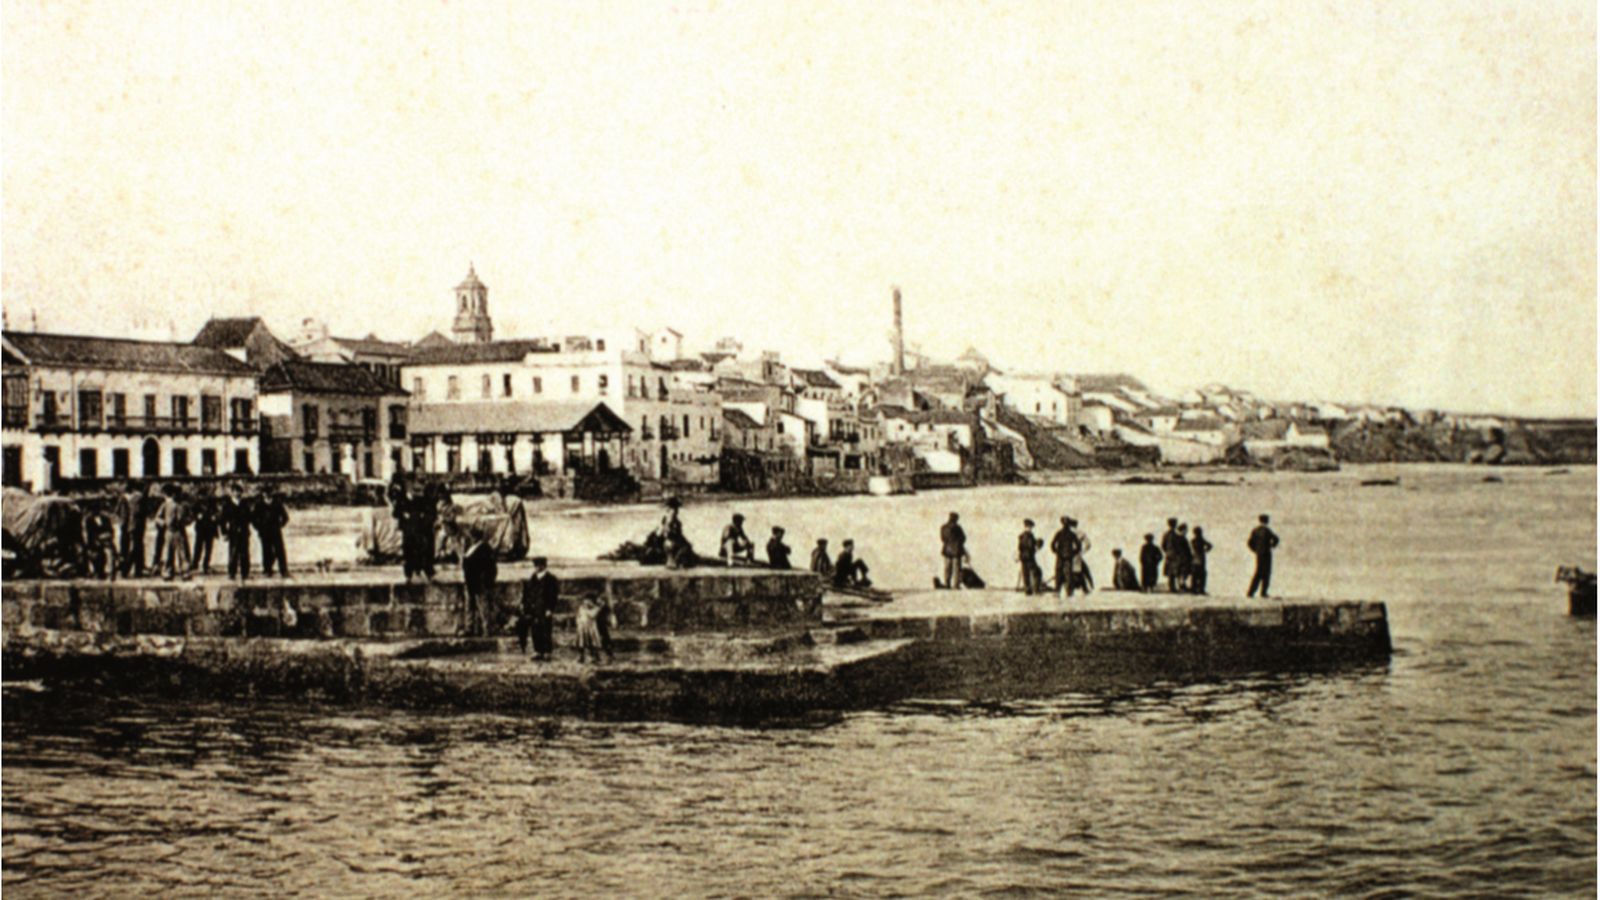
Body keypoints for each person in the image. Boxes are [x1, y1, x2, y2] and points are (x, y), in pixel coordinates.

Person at [519, 556, 558, 660]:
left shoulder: (551, 579)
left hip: (545, 609)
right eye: (535, 566)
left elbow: (553, 596)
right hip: (534, 608)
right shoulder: (532, 578)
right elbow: (526, 594)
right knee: (535, 630)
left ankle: (547, 652)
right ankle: (537, 651)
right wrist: (524, 604)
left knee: (546, 630)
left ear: (544, 566)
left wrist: (550, 609)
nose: (537, 568)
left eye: (539, 566)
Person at [461, 528, 498, 637]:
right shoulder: (470, 548)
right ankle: (469, 628)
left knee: (483, 607)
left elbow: (490, 568)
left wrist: (487, 581)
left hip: (479, 583)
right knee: (469, 606)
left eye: (472, 536)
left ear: (475, 537)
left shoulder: (485, 549)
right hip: (470, 582)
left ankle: (486, 629)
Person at [220, 483, 254, 581]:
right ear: (232, 493)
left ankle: (245, 573)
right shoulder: (227, 505)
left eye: (239, 491)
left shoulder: (244, 504)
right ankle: (232, 573)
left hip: (244, 531)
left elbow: (249, 517)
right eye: (235, 491)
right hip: (233, 532)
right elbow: (222, 520)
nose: (237, 493)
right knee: (233, 553)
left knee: (245, 553)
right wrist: (224, 532)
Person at [254, 487, 290, 578]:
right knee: (266, 551)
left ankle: (283, 570)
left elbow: (285, 517)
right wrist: (259, 528)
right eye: (265, 494)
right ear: (262, 495)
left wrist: (279, 525)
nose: (266, 496)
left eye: (268, 494)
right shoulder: (259, 505)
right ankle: (267, 570)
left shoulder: (277, 504)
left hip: (275, 531)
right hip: (264, 532)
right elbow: (253, 518)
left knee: (280, 551)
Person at [159, 485, 193, 580]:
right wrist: (163, 523)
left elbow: (190, 517)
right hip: (169, 531)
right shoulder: (165, 505)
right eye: (173, 494)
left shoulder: (184, 505)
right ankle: (168, 572)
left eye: (178, 494)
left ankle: (185, 572)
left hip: (180, 531)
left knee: (183, 553)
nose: (175, 496)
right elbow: (158, 517)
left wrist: (186, 521)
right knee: (168, 553)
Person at [114, 483, 147, 578]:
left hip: (131, 527)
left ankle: (136, 570)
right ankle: (126, 570)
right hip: (134, 527)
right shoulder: (137, 498)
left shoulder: (127, 498)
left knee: (135, 548)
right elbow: (139, 513)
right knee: (135, 548)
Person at [82, 501, 118, 580]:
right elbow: (90, 533)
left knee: (111, 551)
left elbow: (111, 530)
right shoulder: (89, 520)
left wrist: (107, 536)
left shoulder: (105, 519)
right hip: (96, 542)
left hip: (106, 540)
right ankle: (97, 571)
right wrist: (96, 541)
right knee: (96, 555)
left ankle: (111, 570)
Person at [1247, 514, 1279, 598]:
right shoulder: (1267, 530)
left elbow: (1249, 543)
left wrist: (1256, 550)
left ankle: (1251, 592)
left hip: (1259, 554)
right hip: (1267, 554)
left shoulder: (1255, 530)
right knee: (1266, 573)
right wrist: (1272, 546)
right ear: (1267, 521)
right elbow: (1276, 539)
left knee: (1258, 572)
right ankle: (1263, 592)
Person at [190, 489, 218, 576]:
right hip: (201, 528)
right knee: (198, 547)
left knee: (208, 548)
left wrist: (214, 517)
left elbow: (216, 512)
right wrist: (197, 516)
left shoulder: (211, 503)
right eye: (201, 496)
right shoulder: (196, 504)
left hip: (210, 528)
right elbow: (192, 513)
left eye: (204, 496)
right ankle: (195, 564)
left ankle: (206, 565)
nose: (202, 497)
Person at [574, 594, 607, 664]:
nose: (587, 602)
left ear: (592, 602)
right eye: (585, 601)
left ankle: (595, 657)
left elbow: (592, 615)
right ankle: (581, 657)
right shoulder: (581, 608)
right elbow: (578, 616)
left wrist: (599, 607)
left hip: (591, 629)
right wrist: (578, 622)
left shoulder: (595, 609)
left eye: (589, 601)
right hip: (582, 628)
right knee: (581, 643)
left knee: (593, 643)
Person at [1050, 516, 1077, 597]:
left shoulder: (1059, 533)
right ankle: (1068, 592)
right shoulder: (1071, 534)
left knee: (1059, 573)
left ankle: (1058, 591)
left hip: (1061, 556)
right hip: (1067, 557)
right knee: (1067, 574)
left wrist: (1056, 552)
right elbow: (1078, 546)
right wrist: (1073, 553)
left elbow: (1052, 544)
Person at [940, 513, 966, 590]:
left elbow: (942, 538)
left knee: (947, 568)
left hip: (947, 550)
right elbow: (963, 538)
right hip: (957, 550)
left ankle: (947, 584)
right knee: (957, 568)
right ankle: (956, 585)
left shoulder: (943, 527)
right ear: (956, 519)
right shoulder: (958, 527)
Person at [1017, 519, 1043, 595]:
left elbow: (1020, 548)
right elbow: (1031, 546)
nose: (1030, 529)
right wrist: (1038, 545)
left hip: (1023, 557)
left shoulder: (1021, 536)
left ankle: (1028, 590)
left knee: (1026, 574)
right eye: (1030, 527)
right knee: (1037, 572)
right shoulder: (1029, 536)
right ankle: (1036, 590)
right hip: (1029, 557)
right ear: (1027, 527)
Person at [1071, 518, 1094, 594]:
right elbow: (1088, 544)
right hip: (1077, 555)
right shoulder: (1080, 533)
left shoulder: (1067, 532)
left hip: (1068, 556)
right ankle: (1088, 588)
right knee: (1083, 571)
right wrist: (1082, 552)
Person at [1160, 518, 1183, 592]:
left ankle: (1171, 587)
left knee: (1170, 572)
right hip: (1175, 555)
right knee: (1174, 571)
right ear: (1175, 524)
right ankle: (1173, 588)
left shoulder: (1166, 534)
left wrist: (1167, 551)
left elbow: (1163, 545)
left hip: (1169, 554)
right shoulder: (1176, 535)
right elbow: (1179, 546)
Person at [1189, 526, 1213, 595]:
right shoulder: (1201, 539)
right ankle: (1201, 589)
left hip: (1194, 558)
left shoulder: (1193, 540)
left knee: (1194, 574)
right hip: (1201, 558)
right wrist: (1205, 550)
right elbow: (1210, 545)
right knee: (1202, 574)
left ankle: (1193, 588)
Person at [1173, 523, 1193, 592]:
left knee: (1181, 572)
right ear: (1182, 530)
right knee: (1183, 572)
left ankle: (1181, 585)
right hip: (1183, 558)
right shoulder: (1181, 538)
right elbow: (1185, 549)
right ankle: (1182, 585)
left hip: (1180, 558)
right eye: (1186, 530)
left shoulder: (1178, 538)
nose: (1187, 531)